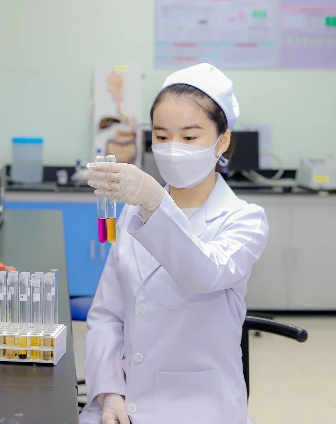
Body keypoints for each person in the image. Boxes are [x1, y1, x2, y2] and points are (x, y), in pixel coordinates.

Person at [80, 63, 269, 424]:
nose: (173, 149)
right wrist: (110, 393)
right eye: (162, 137)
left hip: (201, 409)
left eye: (190, 137)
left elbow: (204, 273)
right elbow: (107, 315)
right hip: (124, 404)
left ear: (222, 140)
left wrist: (155, 203)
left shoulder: (244, 219)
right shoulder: (133, 213)